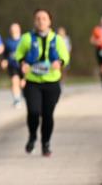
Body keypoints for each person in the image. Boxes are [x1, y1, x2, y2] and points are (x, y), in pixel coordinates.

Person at [15, 8, 70, 157]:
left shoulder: (57, 39)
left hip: (51, 82)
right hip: (33, 82)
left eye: (44, 18)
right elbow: (18, 54)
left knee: (47, 115)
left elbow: (65, 56)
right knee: (33, 112)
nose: (41, 21)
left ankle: (46, 143)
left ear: (50, 21)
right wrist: (22, 63)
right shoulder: (27, 38)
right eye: (38, 18)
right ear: (34, 21)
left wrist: (60, 62)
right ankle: (32, 136)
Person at [5, 22, 24, 107]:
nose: (14, 31)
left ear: (19, 29)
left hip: (23, 66)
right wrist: (4, 60)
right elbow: (5, 54)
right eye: (12, 29)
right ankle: (17, 99)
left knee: (22, 83)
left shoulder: (24, 40)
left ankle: (24, 95)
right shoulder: (8, 41)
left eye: (15, 29)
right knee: (14, 81)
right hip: (12, 65)